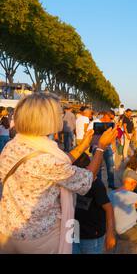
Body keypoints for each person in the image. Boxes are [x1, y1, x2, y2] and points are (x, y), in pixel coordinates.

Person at [0, 93, 117, 254]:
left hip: (8, 229)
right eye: (59, 113)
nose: (61, 117)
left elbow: (56, 166)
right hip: (38, 238)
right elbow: (87, 179)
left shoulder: (13, 145)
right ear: (47, 119)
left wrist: (82, 146)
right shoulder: (47, 159)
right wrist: (101, 147)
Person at [73, 153, 116, 254]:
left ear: (87, 168)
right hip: (73, 231)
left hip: (92, 235)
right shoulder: (71, 181)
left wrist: (110, 233)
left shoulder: (96, 185)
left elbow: (109, 208)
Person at [88, 110, 117, 189]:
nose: (111, 120)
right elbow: (89, 134)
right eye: (110, 118)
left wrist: (114, 145)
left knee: (110, 166)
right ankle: (99, 185)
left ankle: (111, 184)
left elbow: (112, 136)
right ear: (106, 115)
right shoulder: (94, 123)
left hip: (107, 147)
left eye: (112, 119)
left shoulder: (111, 124)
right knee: (98, 167)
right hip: (96, 147)